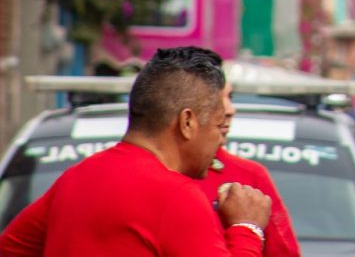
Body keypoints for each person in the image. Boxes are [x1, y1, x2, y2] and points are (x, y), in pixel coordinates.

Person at [0, 46, 272, 257]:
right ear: (187, 123)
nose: (218, 142)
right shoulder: (177, 196)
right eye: (216, 125)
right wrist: (247, 228)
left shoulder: (76, 178)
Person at [197, 79, 301, 256]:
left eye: (230, 96)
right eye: (215, 99)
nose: (230, 110)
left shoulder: (248, 176)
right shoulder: (148, 173)